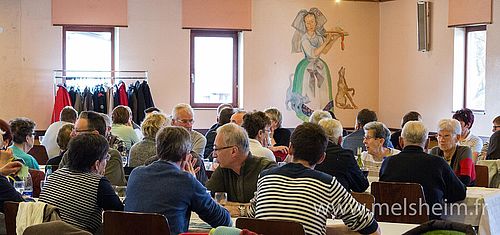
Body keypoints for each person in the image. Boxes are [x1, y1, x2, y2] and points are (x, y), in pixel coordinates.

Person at [248, 123, 380, 235]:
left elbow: (251, 216)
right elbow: (371, 227)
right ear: (322, 158)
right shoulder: (327, 184)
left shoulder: (265, 177)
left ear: (290, 148)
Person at [125, 126, 232, 235]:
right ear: (186, 156)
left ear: (158, 150)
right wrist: (194, 183)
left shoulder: (136, 174)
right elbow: (223, 220)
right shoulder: (186, 181)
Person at [380, 121, 466, 220]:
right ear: (427, 142)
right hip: (427, 226)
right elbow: (460, 193)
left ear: (401, 141)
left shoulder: (388, 163)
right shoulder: (438, 163)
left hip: (390, 225)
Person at [39, 134, 124, 234]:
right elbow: (119, 215)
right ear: (97, 164)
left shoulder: (54, 176)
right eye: (106, 158)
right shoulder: (98, 183)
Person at [286, 8, 346, 121]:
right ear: (304, 24)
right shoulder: (304, 38)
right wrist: (327, 41)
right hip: (308, 69)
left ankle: (323, 115)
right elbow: (313, 54)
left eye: (312, 21)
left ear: (316, 22)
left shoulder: (318, 37)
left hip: (320, 68)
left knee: (322, 95)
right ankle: (310, 116)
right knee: (310, 94)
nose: (310, 24)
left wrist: (333, 39)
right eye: (307, 22)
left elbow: (325, 50)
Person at [206, 123, 276, 203]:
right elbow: (207, 200)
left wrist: (232, 207)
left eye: (216, 149)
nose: (214, 154)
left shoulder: (267, 169)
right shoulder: (223, 169)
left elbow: (264, 206)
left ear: (233, 151)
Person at [59, 111, 126, 186]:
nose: (71, 134)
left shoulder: (111, 156)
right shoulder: (68, 155)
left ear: (94, 135)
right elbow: (60, 185)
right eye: (73, 130)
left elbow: (108, 191)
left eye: (77, 131)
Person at [316, 118, 369, 192]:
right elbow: (361, 186)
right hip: (337, 201)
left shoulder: (310, 153)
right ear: (340, 140)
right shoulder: (345, 156)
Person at [430, 119, 476, 186]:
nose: (441, 140)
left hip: (465, 192)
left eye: (446, 136)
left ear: (457, 137)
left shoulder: (465, 151)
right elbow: (430, 177)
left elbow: (465, 180)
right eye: (439, 135)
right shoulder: (434, 151)